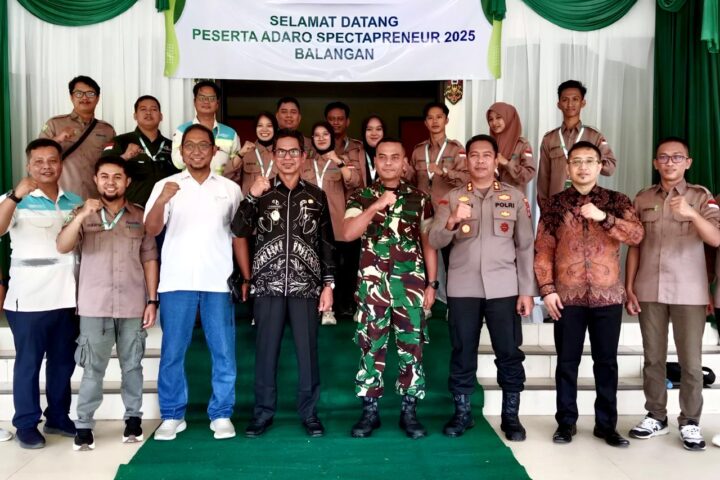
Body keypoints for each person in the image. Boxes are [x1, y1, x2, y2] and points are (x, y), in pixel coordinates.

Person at [534, 141, 643, 448]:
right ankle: (565, 423)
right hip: (566, 298)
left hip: (607, 296)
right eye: (577, 161)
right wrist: (547, 290)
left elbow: (637, 235)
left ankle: (606, 425)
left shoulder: (617, 200)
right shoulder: (554, 205)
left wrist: (603, 217)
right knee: (567, 363)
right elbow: (543, 249)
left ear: (600, 166)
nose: (583, 167)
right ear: (568, 168)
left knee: (606, 362)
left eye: (589, 161)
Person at [429, 134, 535, 440]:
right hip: (463, 289)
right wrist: (451, 221)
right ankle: (462, 414)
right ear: (466, 160)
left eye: (486, 155)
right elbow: (435, 240)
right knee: (463, 351)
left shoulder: (514, 197)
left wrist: (527, 291)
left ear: (495, 159)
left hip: (504, 288)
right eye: (474, 155)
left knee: (509, 352)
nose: (479, 161)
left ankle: (511, 417)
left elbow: (525, 246)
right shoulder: (452, 198)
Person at [232, 129, 335, 438]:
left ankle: (309, 413)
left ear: (303, 157)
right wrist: (252, 195)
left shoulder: (316, 195)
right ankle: (262, 413)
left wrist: (328, 285)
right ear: (273, 155)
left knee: (308, 354)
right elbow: (238, 229)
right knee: (266, 353)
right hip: (268, 286)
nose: (287, 158)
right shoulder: (262, 193)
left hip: (306, 287)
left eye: (294, 152)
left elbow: (326, 243)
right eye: (281, 152)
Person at [145, 124, 242, 441]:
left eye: (203, 145)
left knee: (223, 351)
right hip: (176, 281)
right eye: (190, 145)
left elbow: (239, 234)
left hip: (218, 281)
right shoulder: (166, 185)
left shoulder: (229, 189)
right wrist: (162, 200)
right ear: (181, 151)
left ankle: (222, 413)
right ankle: (172, 414)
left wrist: (245, 276)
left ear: (214, 151)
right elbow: (151, 229)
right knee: (173, 351)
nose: (197, 151)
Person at [56, 157, 159, 451]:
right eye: (104, 176)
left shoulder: (139, 215)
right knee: (92, 369)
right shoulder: (83, 212)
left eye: (117, 177)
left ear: (127, 181)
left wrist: (152, 300)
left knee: (132, 366)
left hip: (132, 304)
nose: (110, 182)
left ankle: (133, 420)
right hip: (94, 305)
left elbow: (149, 258)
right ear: (96, 180)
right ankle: (84, 425)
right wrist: (80, 216)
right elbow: (62, 245)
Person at [625, 137, 720, 451]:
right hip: (649, 287)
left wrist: (692, 214)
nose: (670, 163)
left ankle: (690, 421)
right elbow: (635, 245)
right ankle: (656, 416)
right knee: (653, 358)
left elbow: (716, 239)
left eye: (677, 157)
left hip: (689, 290)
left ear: (687, 163)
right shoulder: (642, 198)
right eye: (663, 157)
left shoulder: (701, 197)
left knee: (690, 362)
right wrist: (629, 286)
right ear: (655, 163)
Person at [344, 138, 438, 439]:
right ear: (374, 162)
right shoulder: (361, 196)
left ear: (404, 162)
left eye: (394, 157)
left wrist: (432, 284)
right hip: (372, 288)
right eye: (382, 157)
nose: (388, 162)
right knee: (370, 347)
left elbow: (428, 243)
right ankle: (370, 412)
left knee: (412, 348)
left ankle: (409, 412)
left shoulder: (420, 199)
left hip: (410, 286)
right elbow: (348, 233)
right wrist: (375, 206)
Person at [0, 139, 83, 449]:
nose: (46, 166)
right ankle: (25, 423)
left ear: (61, 164)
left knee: (63, 362)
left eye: (52, 160)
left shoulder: (74, 200)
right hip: (28, 297)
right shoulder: (14, 199)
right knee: (29, 362)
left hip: (68, 295)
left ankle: (58, 416)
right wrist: (15, 195)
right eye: (39, 161)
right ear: (28, 165)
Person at [301, 121, 361, 325]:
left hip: (336, 224)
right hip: (309, 224)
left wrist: (338, 161)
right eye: (316, 135)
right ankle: (320, 308)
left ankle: (339, 306)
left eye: (325, 134)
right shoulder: (305, 163)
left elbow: (355, 182)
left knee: (340, 268)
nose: (321, 138)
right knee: (313, 267)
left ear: (332, 137)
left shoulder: (343, 160)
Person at [537, 80, 616, 210]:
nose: (570, 104)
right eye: (565, 100)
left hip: (587, 207)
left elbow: (610, 168)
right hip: (557, 207)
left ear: (583, 103)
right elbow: (543, 178)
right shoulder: (549, 139)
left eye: (575, 99)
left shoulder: (594, 136)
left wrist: (590, 160)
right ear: (558, 104)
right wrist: (546, 208)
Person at [39, 75, 115, 200]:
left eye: (90, 93)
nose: (85, 98)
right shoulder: (54, 124)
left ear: (97, 98)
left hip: (95, 197)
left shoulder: (107, 130)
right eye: (79, 93)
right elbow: (37, 156)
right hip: (61, 198)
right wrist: (58, 139)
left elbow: (112, 163)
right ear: (71, 97)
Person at [101, 95, 178, 206]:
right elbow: (103, 169)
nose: (148, 113)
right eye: (143, 109)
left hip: (167, 209)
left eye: (153, 109)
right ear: (135, 115)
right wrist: (125, 157)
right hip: (131, 210)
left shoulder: (172, 145)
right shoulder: (120, 141)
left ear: (161, 116)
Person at [171, 81, 241, 176]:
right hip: (191, 184)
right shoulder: (182, 130)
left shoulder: (230, 133)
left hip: (222, 183)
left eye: (211, 98)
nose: (206, 101)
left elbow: (236, 167)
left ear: (217, 103)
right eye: (202, 98)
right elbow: (178, 164)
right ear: (194, 102)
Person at [407, 102, 468, 207]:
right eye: (430, 118)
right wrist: (404, 171)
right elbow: (411, 182)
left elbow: (467, 179)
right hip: (421, 209)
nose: (435, 121)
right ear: (425, 123)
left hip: (447, 208)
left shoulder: (456, 149)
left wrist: (444, 173)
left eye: (439, 117)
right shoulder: (418, 150)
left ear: (446, 120)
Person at [223, 111, 278, 193]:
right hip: (250, 200)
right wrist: (241, 154)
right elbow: (226, 176)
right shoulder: (247, 152)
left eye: (269, 126)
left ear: (275, 128)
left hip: (275, 200)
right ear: (255, 128)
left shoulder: (281, 152)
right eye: (260, 125)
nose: (264, 129)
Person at [486, 102, 536, 192]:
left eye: (498, 117)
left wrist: (506, 163)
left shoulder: (522, 145)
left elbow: (528, 175)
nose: (494, 122)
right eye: (490, 119)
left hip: (514, 198)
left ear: (509, 118)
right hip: (491, 197)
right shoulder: (488, 145)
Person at [360, 115, 386, 186]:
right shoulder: (355, 154)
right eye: (369, 129)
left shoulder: (392, 154)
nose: (374, 133)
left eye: (378, 129)